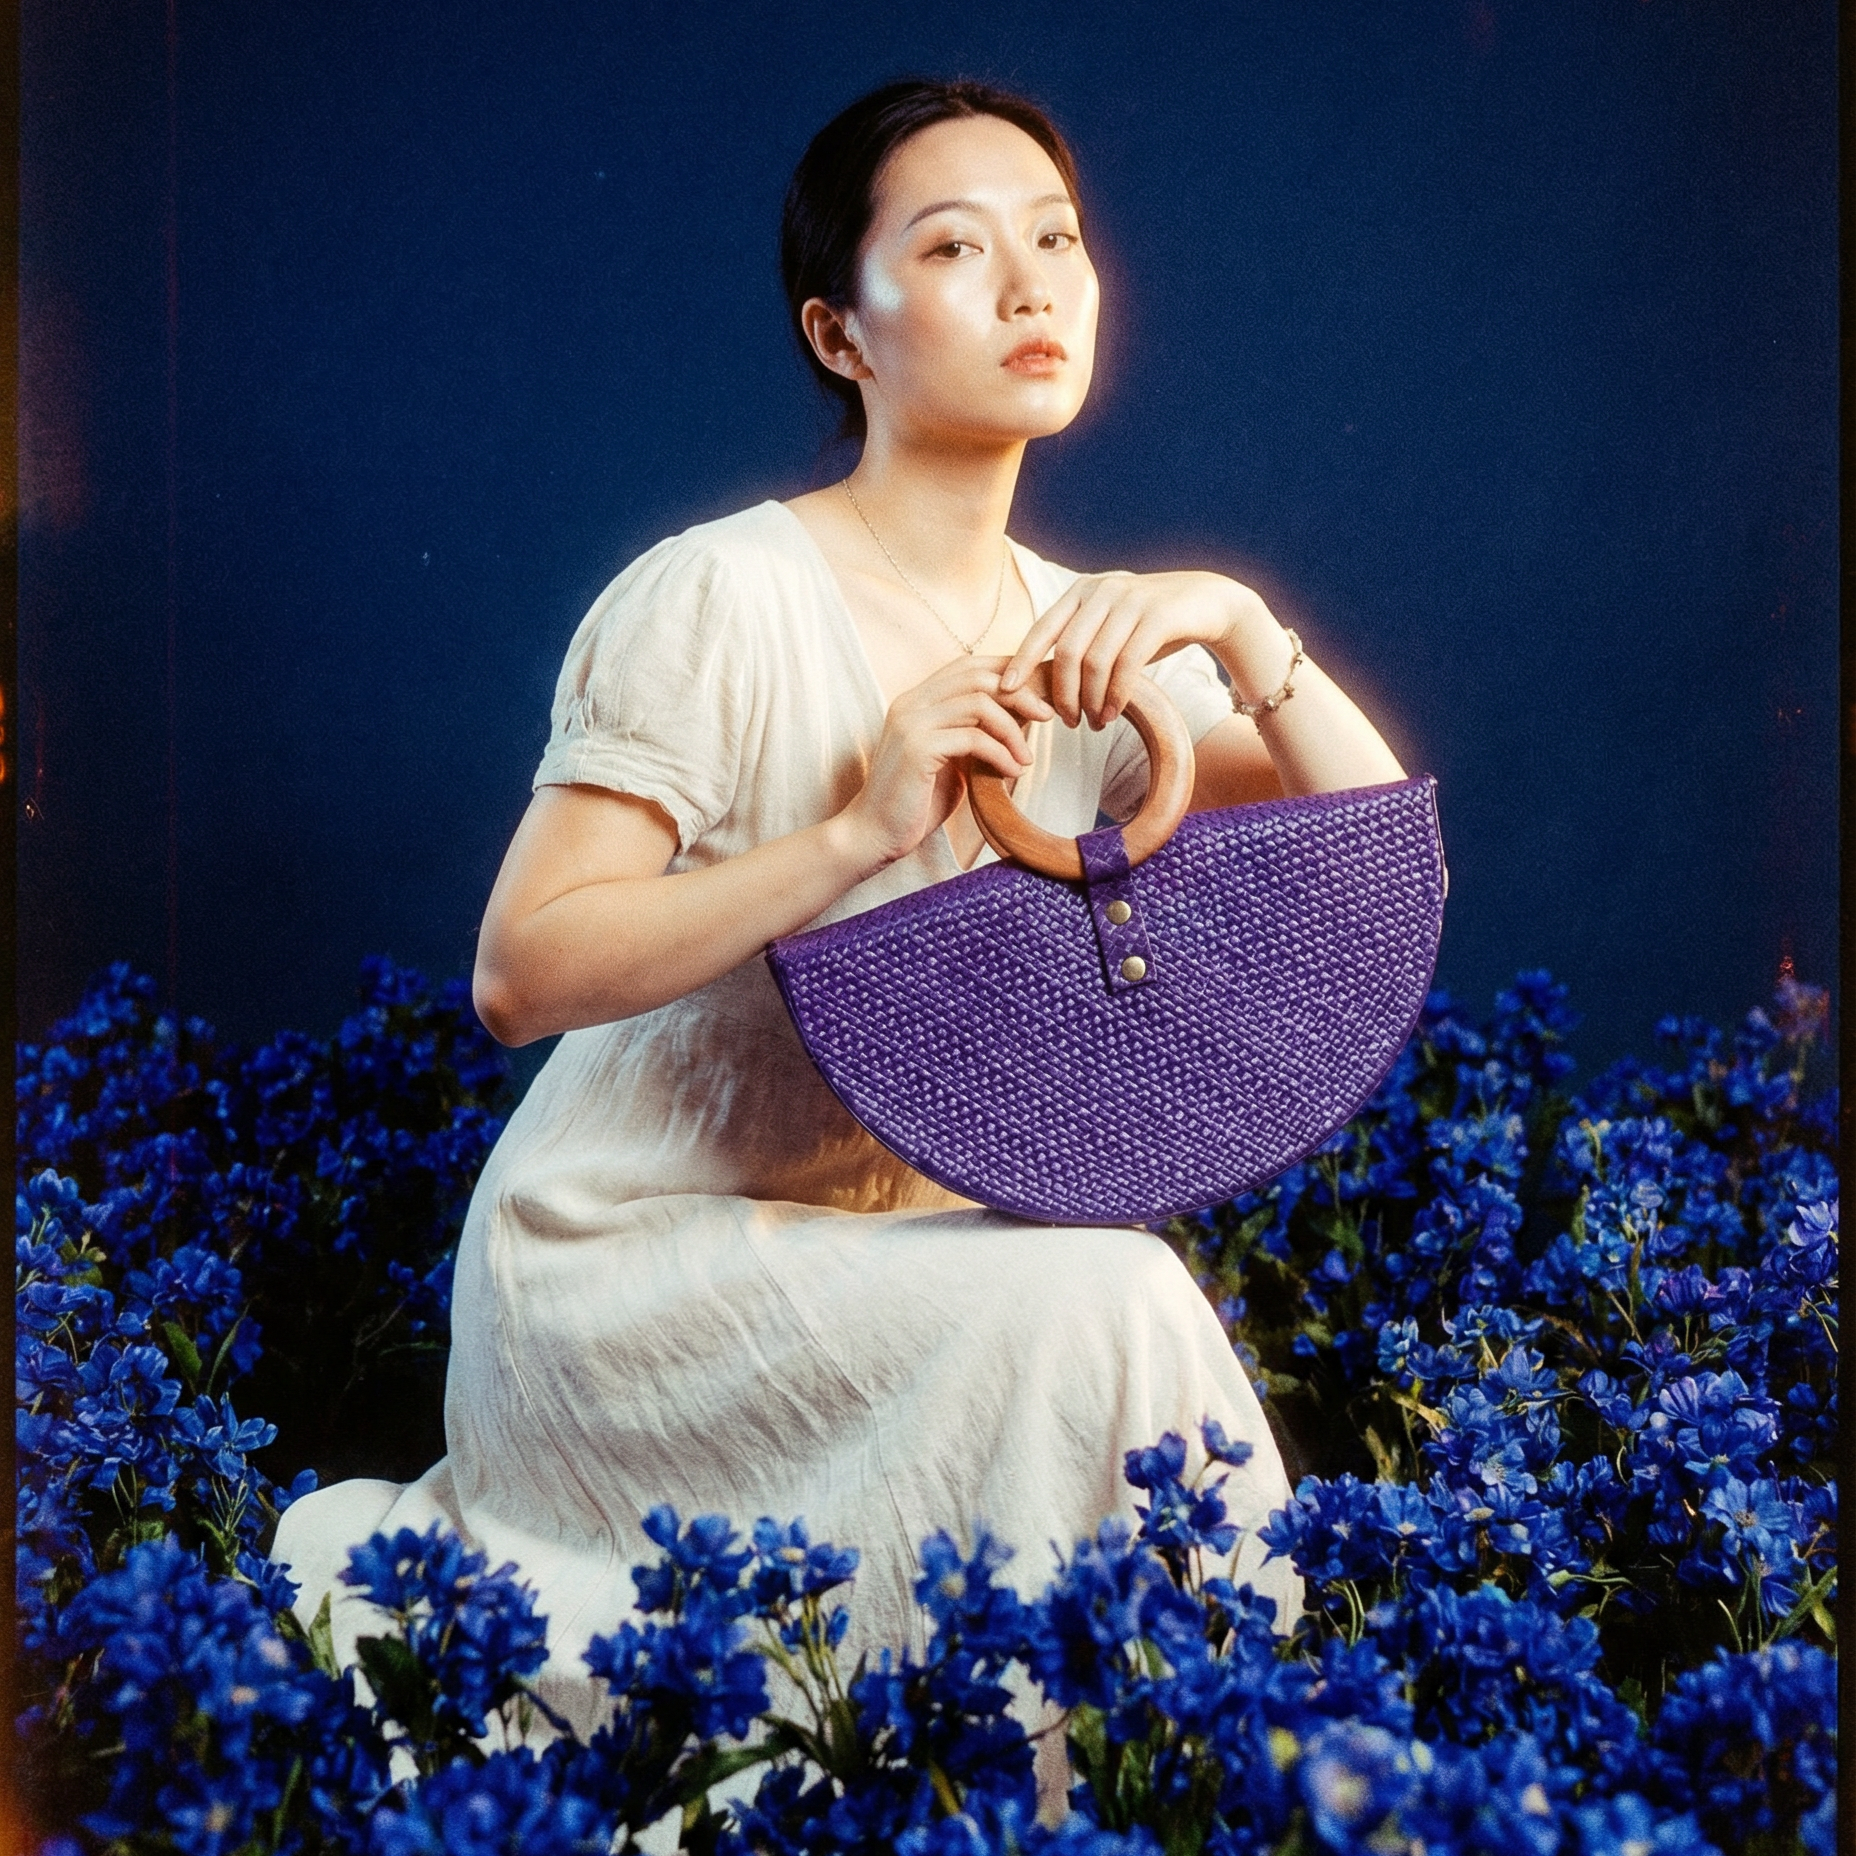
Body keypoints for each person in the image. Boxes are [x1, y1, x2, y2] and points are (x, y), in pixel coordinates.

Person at [273, 78, 1405, 1744]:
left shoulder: (1090, 636)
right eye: (952, 247)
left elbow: (1383, 860)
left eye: (1057, 241)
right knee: (1114, 1299)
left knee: (1096, 1296)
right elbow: (521, 973)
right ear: (841, 332)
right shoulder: (720, 594)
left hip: (897, 1264)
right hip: (627, 1271)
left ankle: (1133, 1765)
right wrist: (855, 832)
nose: (1030, 286)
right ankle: (1206, 1762)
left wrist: (1243, 629)